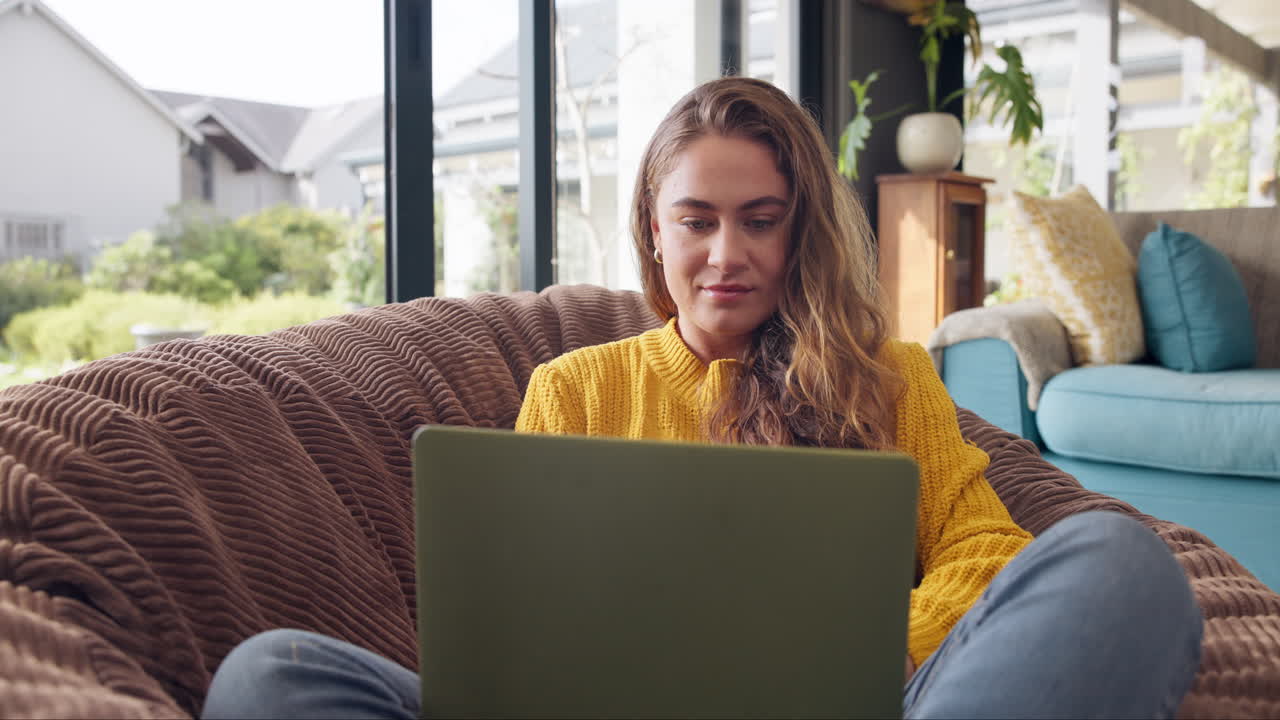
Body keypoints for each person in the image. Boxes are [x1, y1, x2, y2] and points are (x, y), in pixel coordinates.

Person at [202, 77, 1202, 720]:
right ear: (653, 229)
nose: (727, 254)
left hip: (860, 703)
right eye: (697, 221)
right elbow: (518, 618)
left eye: (760, 221)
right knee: (271, 675)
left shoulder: (887, 375)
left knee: (1117, 563)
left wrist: (860, 657)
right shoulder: (573, 390)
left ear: (799, 232)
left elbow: (983, 548)